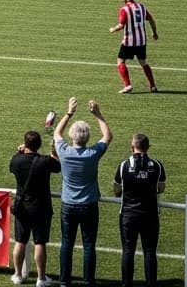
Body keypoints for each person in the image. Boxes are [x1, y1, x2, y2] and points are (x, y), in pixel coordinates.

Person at [53, 97, 113, 287]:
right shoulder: (93, 153)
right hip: (89, 205)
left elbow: (56, 133)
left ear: (72, 136)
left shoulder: (64, 151)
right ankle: (88, 281)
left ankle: (64, 281)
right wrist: (98, 114)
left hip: (68, 205)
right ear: (87, 138)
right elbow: (107, 136)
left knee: (66, 243)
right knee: (89, 245)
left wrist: (69, 113)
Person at [114, 133, 167, 287]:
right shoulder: (156, 165)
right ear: (148, 147)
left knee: (128, 250)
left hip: (128, 215)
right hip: (150, 215)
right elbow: (161, 187)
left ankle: (127, 284)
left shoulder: (124, 165)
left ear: (132, 147)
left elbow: (116, 189)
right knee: (150, 251)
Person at [10, 130, 61, 287]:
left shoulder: (16, 160)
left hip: (21, 206)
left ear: (25, 144)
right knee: (40, 242)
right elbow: (57, 166)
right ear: (39, 145)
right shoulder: (44, 161)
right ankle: (41, 278)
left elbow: (12, 165)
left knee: (20, 241)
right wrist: (54, 152)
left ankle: (18, 275)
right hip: (40, 207)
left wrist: (19, 152)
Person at [109, 0, 159, 94]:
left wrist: (113, 29)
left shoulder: (124, 9)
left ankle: (128, 85)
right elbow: (151, 20)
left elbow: (121, 25)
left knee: (120, 61)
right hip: (141, 41)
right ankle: (153, 86)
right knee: (143, 63)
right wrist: (154, 33)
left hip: (129, 42)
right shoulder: (142, 7)